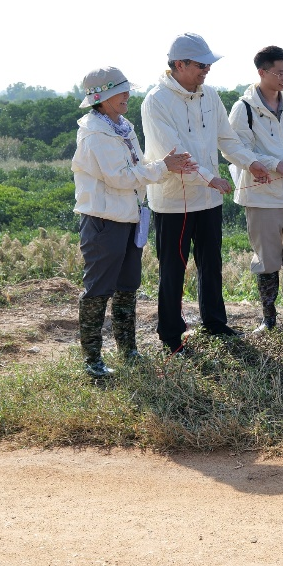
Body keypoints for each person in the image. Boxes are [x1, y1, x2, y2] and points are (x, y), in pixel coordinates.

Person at [142, 34, 271, 353]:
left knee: (211, 262)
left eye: (209, 64)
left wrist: (251, 162)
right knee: (174, 267)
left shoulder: (209, 95)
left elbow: (226, 139)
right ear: (179, 65)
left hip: (208, 199)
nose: (207, 69)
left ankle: (215, 322)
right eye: (202, 64)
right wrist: (210, 178)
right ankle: (171, 333)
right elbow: (174, 151)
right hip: (175, 201)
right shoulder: (155, 101)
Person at [72, 67, 196, 377]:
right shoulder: (95, 132)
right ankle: (93, 360)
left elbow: (137, 167)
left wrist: (164, 168)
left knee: (128, 287)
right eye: (120, 91)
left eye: (126, 89)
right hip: (103, 220)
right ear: (101, 98)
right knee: (98, 290)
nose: (127, 95)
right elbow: (119, 178)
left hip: (128, 217)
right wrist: (161, 167)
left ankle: (128, 350)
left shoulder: (122, 126)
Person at [228, 46, 283, 331]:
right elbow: (237, 149)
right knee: (266, 258)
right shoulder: (244, 109)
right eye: (280, 72)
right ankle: (268, 317)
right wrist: (273, 162)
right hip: (262, 194)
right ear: (262, 72)